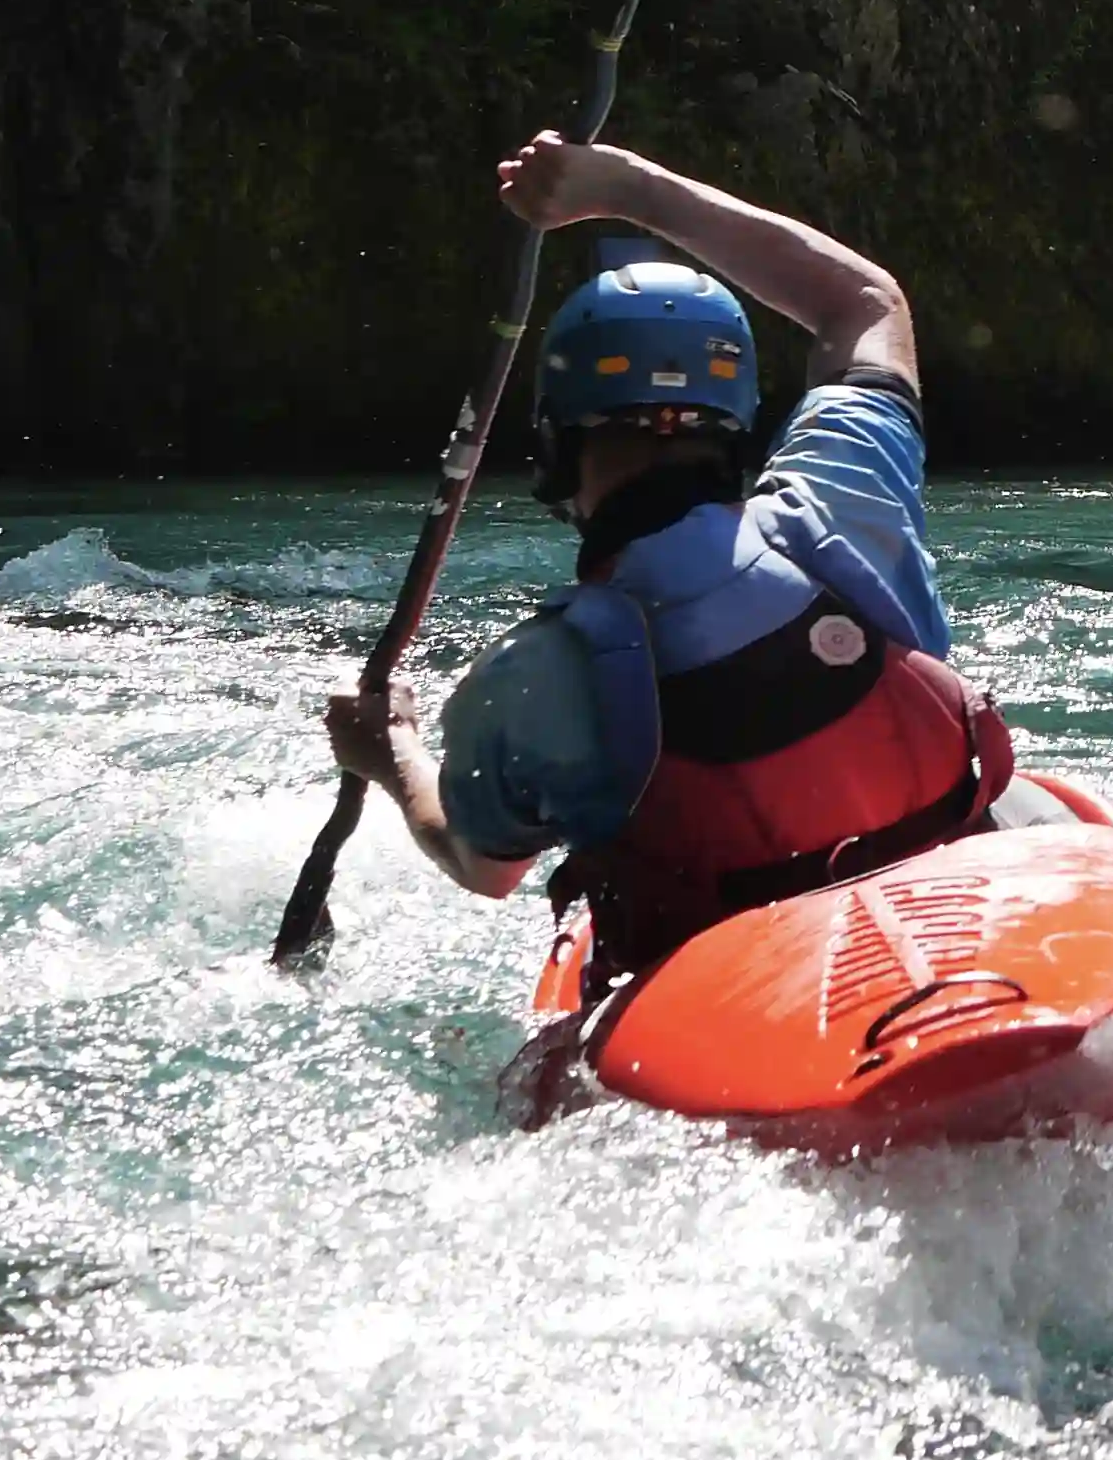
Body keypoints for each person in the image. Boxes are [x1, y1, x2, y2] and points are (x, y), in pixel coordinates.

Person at [321, 131, 1037, 981]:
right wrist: (632, 187)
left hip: (748, 1008)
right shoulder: (843, 490)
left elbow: (486, 866)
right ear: (735, 430)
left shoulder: (536, 672)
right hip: (971, 935)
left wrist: (394, 750)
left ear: (554, 451)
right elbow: (864, 302)